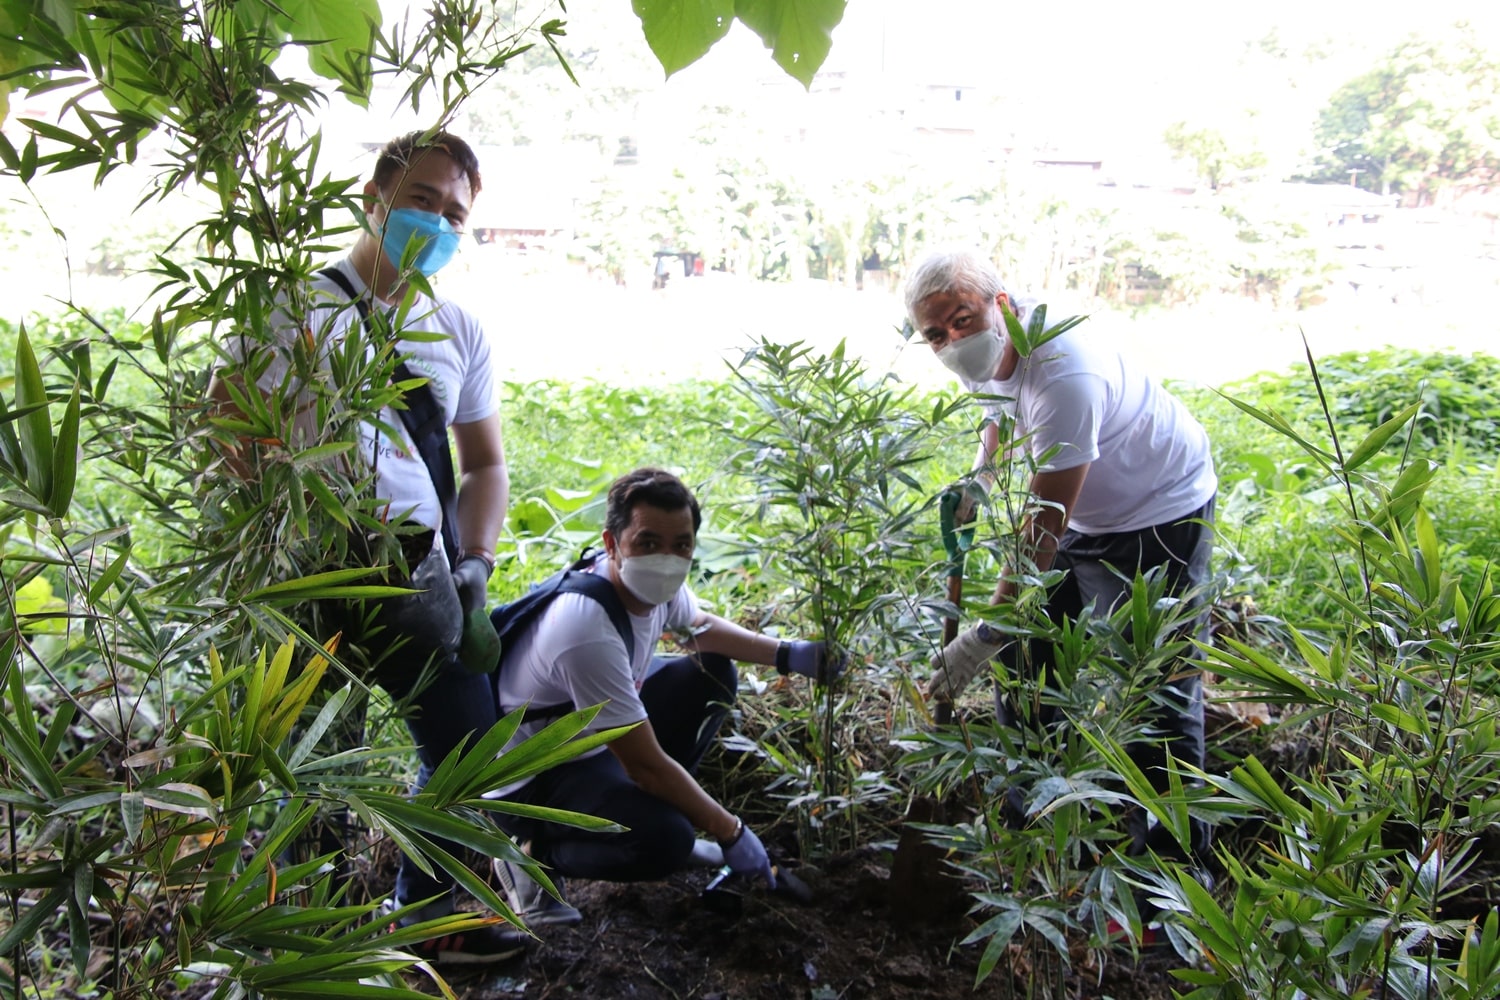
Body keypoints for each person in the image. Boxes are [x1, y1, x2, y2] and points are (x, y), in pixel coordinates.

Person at [208, 130, 520, 963]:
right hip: (307, 577)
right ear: (374, 196)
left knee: (465, 752)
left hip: (424, 572)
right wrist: (273, 520)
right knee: (311, 771)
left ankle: (423, 923)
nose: (439, 223)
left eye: (456, 213)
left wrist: (478, 566)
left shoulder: (455, 327)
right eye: (423, 200)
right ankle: (310, 947)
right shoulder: (285, 305)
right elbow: (221, 425)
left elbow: (485, 463)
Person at [906, 248, 1217, 862]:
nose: (951, 342)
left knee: (1155, 686)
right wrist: (983, 476)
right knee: (1026, 662)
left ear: (1001, 306)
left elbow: (1040, 534)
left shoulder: (1065, 371)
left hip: (1158, 512)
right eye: (934, 334)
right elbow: (993, 398)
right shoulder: (981, 342)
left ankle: (1175, 879)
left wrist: (981, 634)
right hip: (1077, 504)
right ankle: (1038, 841)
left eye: (960, 321)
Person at [486, 468, 843, 927]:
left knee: (710, 674)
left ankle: (646, 810)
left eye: (682, 546)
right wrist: (731, 832)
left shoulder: (649, 587)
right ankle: (529, 852)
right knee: (663, 843)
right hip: (536, 776)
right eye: (648, 543)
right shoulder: (585, 630)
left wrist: (789, 655)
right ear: (612, 544)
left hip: (590, 741)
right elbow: (646, 766)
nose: (667, 560)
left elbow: (702, 628)